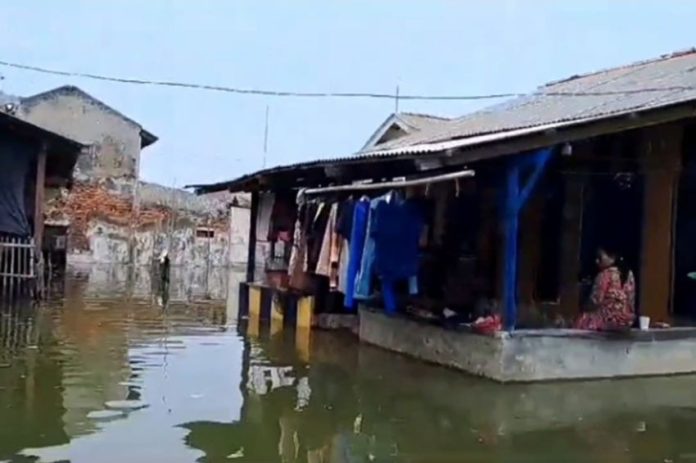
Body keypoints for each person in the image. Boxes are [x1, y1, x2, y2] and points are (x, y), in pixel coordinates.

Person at [574, 246, 636, 331]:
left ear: (613, 257)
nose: (597, 261)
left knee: (583, 318)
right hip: (626, 320)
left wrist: (583, 306)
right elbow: (631, 300)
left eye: (600, 258)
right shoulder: (629, 274)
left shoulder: (605, 274)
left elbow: (595, 300)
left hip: (608, 320)